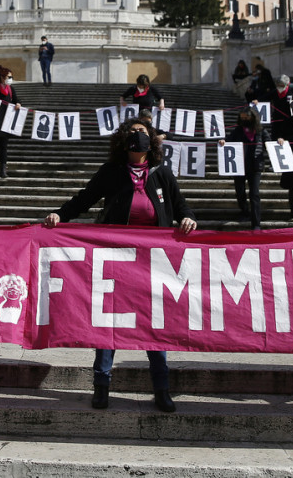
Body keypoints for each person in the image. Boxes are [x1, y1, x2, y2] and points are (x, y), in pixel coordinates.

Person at [43, 117, 197, 413]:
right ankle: (101, 386)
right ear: (123, 140)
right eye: (132, 132)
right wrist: (60, 215)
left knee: (156, 324)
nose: (137, 137)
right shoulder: (112, 171)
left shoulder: (161, 172)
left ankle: (161, 389)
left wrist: (188, 217)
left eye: (142, 132)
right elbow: (84, 199)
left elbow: (180, 205)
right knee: (109, 324)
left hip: (154, 261)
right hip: (116, 259)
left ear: (151, 139)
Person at [220, 106, 270, 229]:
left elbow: (268, 142)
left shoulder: (261, 130)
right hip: (239, 166)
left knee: (254, 194)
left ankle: (256, 222)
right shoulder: (238, 130)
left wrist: (278, 142)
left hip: (255, 166)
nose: (244, 119)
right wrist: (223, 142)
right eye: (242, 118)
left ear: (253, 117)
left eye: (246, 117)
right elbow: (228, 140)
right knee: (240, 191)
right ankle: (245, 211)